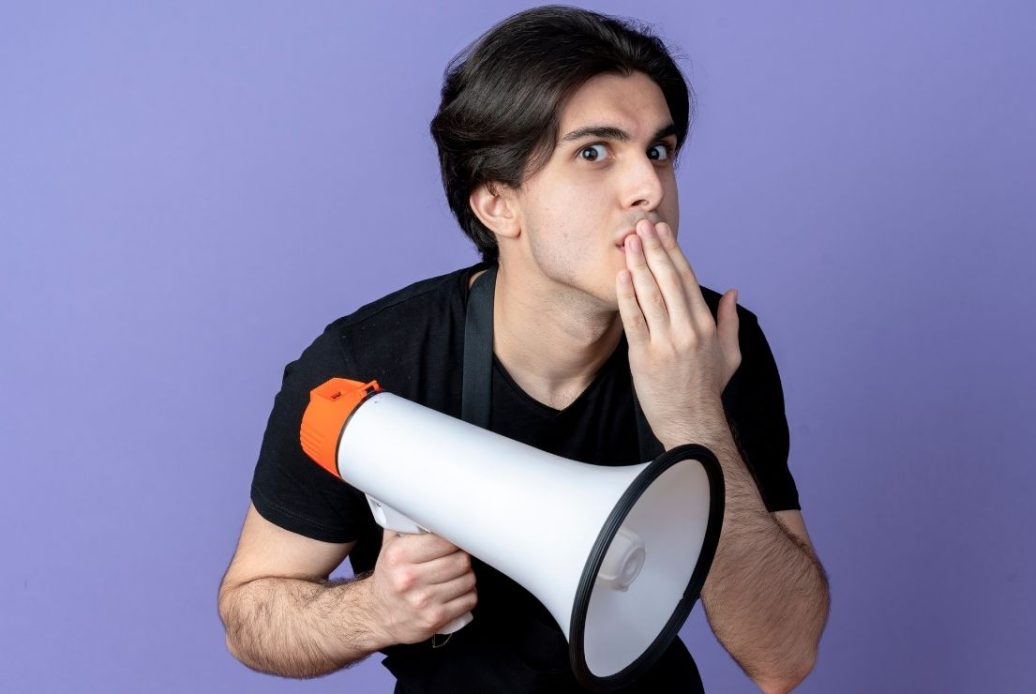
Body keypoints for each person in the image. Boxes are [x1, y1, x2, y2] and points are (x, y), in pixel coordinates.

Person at [217, 6, 829, 693]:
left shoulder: (713, 345)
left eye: (659, 150)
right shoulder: (369, 362)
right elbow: (251, 613)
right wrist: (372, 610)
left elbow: (783, 657)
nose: (649, 189)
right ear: (496, 205)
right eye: (594, 152)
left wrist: (694, 418)